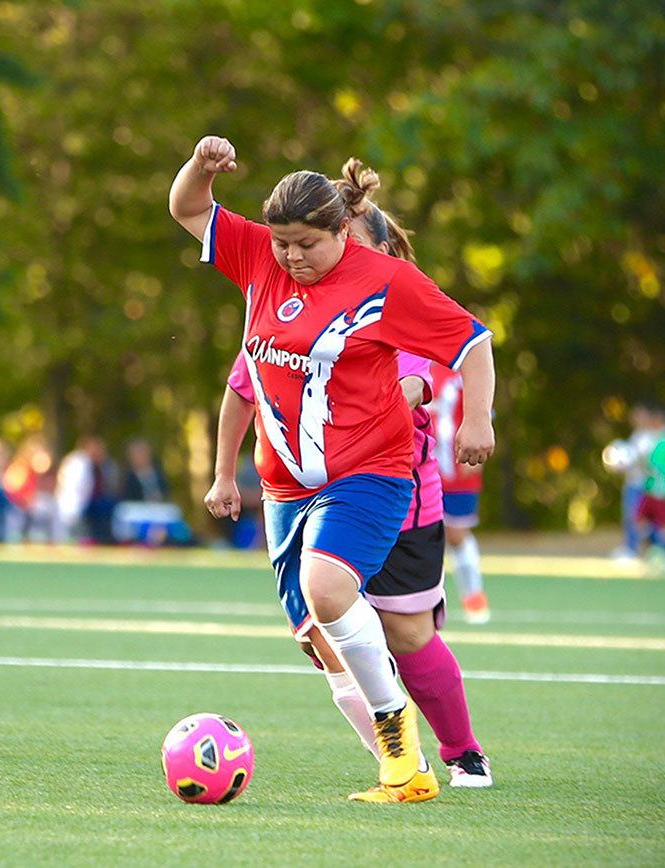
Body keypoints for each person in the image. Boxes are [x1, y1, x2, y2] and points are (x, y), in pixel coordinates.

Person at [171, 137, 496, 803]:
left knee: (334, 595)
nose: (291, 256)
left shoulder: (386, 282)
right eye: (282, 242)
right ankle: (403, 770)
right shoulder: (258, 257)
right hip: (284, 490)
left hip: (372, 473)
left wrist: (477, 419)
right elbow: (187, 209)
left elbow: (473, 340)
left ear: (342, 231)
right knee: (319, 636)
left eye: (306, 244)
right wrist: (201, 168)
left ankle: (413, 738)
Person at [428, 362, 492, 623]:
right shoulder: (418, 363)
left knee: (456, 534)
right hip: (422, 463)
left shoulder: (466, 368)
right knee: (422, 533)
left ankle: (474, 597)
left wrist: (478, 451)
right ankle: (425, 602)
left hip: (456, 465)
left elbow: (484, 412)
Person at [602, 403, 657, 560]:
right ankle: (631, 548)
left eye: (641, 415)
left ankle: (646, 549)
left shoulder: (650, 437)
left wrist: (629, 461)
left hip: (642, 485)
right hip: (632, 484)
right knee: (630, 517)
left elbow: (644, 460)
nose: (637, 418)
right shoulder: (636, 435)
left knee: (641, 520)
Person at [636, 403, 665, 577]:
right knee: (641, 519)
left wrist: (641, 462)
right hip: (652, 490)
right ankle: (651, 555)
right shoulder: (654, 438)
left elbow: (656, 465)